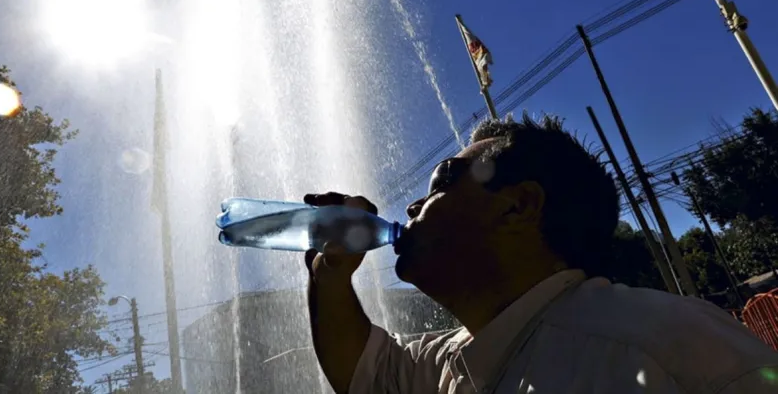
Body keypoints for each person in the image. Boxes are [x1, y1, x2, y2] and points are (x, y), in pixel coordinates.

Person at [303, 114, 778, 394]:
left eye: (444, 178)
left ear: (519, 206)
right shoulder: (459, 358)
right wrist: (329, 275)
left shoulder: (664, 344)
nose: (413, 205)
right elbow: (365, 371)